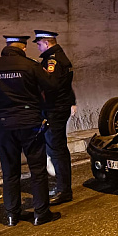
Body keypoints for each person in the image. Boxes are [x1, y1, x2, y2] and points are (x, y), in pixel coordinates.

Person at [0, 35, 59, 226]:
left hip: (4, 126)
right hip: (30, 124)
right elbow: (50, 87)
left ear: (6, 47)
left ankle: (11, 215)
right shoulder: (30, 66)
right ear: (23, 48)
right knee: (37, 170)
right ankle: (40, 214)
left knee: (10, 172)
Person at [33, 30, 76, 205]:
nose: (37, 46)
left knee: (57, 150)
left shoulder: (53, 61)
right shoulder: (58, 57)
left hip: (54, 110)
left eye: (39, 43)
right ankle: (62, 186)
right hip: (58, 108)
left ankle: (64, 190)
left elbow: (52, 86)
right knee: (56, 149)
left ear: (46, 43)